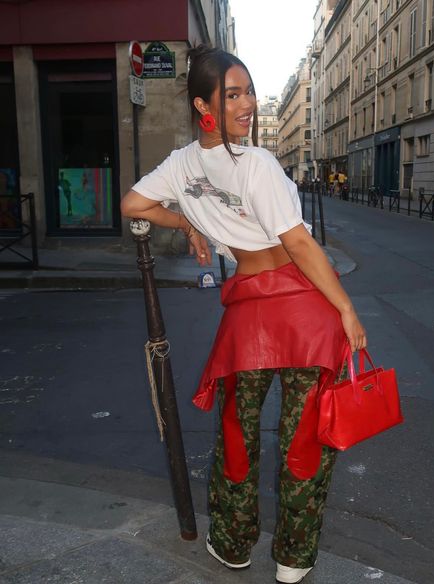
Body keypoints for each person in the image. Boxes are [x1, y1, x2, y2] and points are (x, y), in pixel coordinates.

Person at [121, 45, 367, 584]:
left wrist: (187, 223)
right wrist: (346, 308)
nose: (248, 104)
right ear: (203, 105)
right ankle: (293, 560)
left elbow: (133, 206)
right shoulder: (256, 163)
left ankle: (233, 543)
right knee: (304, 438)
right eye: (233, 94)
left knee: (238, 431)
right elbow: (300, 244)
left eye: (249, 91)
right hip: (304, 308)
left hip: (249, 313)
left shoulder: (181, 165)